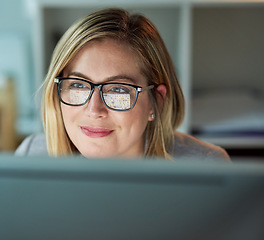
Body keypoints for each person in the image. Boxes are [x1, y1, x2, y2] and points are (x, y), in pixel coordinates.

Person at [16, 8, 230, 161]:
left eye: (118, 89)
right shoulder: (31, 156)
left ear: (155, 101)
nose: (94, 110)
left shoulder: (206, 167)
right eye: (78, 86)